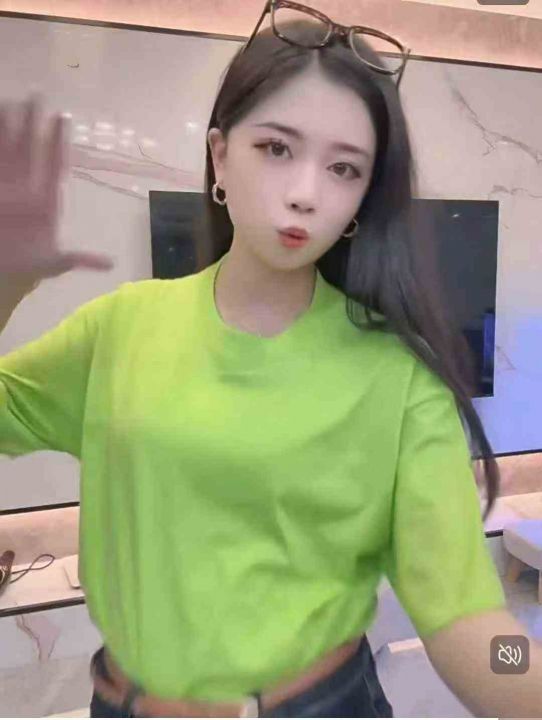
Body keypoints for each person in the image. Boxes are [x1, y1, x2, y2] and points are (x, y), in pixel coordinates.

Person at [0, 2, 541, 717]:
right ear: (221, 156)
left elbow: (468, 622)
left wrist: (529, 668)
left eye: (343, 168)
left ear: (362, 197)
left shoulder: (400, 379)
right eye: (276, 148)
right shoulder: (121, 327)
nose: (305, 194)